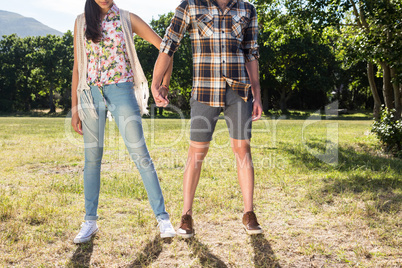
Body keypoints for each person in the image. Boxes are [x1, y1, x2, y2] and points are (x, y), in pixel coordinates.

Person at [151, 0, 263, 238]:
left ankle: (249, 213)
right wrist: (156, 83)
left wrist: (257, 95)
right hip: (204, 90)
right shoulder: (190, 6)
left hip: (239, 90)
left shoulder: (247, 9)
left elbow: (251, 52)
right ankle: (186, 216)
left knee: (243, 148)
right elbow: (169, 44)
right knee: (197, 152)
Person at [71, 0, 175, 243]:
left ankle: (163, 218)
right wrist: (75, 105)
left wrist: (163, 83)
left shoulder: (128, 19)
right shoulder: (80, 22)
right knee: (92, 158)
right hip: (89, 94)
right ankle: (90, 221)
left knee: (140, 153)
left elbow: (166, 47)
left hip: (122, 89)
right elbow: (78, 66)